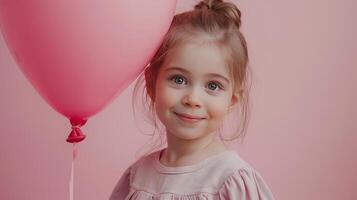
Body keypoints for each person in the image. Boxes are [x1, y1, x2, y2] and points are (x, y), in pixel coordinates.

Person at [109, 0, 275, 199]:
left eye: (213, 86)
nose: (193, 99)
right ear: (152, 84)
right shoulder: (137, 177)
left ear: (231, 100)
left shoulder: (231, 181)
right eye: (178, 79)